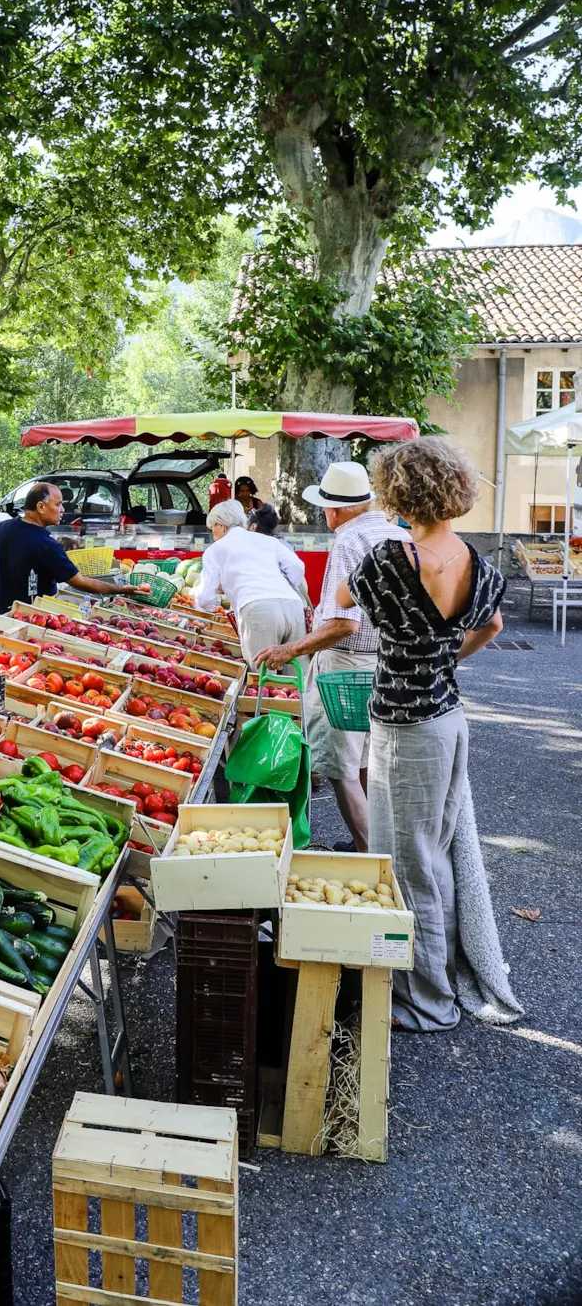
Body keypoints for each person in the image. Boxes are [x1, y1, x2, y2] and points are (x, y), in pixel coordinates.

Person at [336, 437, 505, 1032]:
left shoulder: (388, 559)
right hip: (447, 717)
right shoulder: (480, 563)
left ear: (397, 492)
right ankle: (438, 980)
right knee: (437, 853)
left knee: (412, 864)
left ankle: (427, 1000)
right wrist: (446, 659)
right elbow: (493, 625)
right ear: (455, 489)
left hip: (405, 726)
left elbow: (340, 601)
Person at [254, 461, 411, 851]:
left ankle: (371, 852)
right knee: (366, 763)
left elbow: (345, 624)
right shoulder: (396, 533)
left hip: (346, 668)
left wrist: (291, 648)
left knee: (341, 767)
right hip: (389, 662)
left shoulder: (348, 541)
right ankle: (375, 845)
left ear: (335, 510)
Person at [0, 483, 150, 614]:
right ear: (41, 507)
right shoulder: (46, 544)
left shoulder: (1, 529)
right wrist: (121, 589)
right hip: (32, 618)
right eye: (58, 504)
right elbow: (80, 582)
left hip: (1, 614)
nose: (62, 509)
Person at [190, 500, 306, 664]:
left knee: (263, 679)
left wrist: (205, 605)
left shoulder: (215, 550)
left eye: (212, 528)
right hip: (293, 608)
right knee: (297, 677)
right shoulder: (267, 540)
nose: (212, 533)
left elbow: (204, 595)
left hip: (258, 609)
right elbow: (297, 567)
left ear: (221, 524)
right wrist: (285, 589)